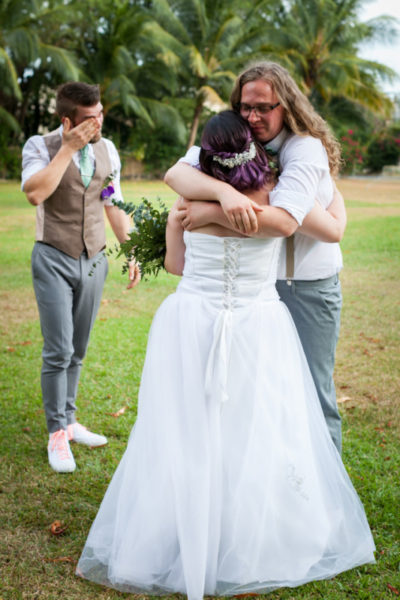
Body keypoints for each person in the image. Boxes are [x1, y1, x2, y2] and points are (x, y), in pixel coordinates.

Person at [76, 111, 374, 600]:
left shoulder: (187, 201)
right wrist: (335, 199)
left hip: (192, 321)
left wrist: (206, 214)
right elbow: (321, 226)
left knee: (189, 426)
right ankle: (251, 533)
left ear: (206, 155)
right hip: (258, 324)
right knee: (254, 424)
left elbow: (175, 264)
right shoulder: (275, 197)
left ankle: (185, 528)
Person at [164, 61, 345, 453]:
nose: (253, 116)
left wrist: (209, 212)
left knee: (312, 396)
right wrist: (226, 193)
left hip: (307, 288)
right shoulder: (238, 136)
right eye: (246, 106)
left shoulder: (304, 150)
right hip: (257, 289)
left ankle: (324, 496)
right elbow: (177, 174)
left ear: (288, 106)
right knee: (265, 401)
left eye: (265, 107)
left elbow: (282, 223)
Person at [21, 82, 141, 474]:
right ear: (67, 120)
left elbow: (112, 199)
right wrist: (69, 147)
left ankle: (70, 422)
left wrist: (131, 248)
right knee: (58, 349)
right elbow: (35, 193)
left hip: (94, 260)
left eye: (101, 114)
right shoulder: (40, 146)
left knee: (78, 349)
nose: (99, 123)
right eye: (90, 119)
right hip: (53, 257)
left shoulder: (108, 150)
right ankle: (56, 434)